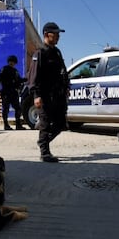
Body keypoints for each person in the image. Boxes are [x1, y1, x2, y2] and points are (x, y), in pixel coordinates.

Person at [27, 22, 70, 162]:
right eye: (55, 34)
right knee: (45, 123)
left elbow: (63, 71)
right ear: (46, 35)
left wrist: (66, 87)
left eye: (58, 34)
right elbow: (33, 76)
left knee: (61, 124)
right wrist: (36, 95)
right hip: (44, 95)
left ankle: (43, 142)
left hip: (58, 95)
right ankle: (44, 153)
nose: (58, 37)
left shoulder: (57, 52)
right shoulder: (40, 53)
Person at [0, 55, 27, 130]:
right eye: (10, 61)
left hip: (14, 92)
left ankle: (18, 125)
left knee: (18, 108)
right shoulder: (4, 69)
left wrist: (25, 79)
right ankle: (6, 125)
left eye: (13, 62)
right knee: (6, 109)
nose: (11, 63)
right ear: (8, 62)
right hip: (6, 92)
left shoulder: (15, 71)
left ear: (15, 63)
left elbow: (19, 80)